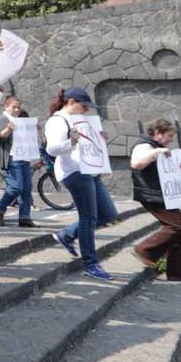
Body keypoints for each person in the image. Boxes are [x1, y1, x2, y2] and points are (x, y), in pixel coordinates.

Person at [45, 87, 119, 281]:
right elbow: (52, 149)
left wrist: (100, 140)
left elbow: (87, 144)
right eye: (84, 106)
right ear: (71, 102)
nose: (86, 110)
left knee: (108, 213)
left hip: (90, 170)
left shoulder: (81, 120)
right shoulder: (57, 121)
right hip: (74, 172)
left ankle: (68, 234)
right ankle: (90, 263)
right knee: (89, 217)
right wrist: (71, 141)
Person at [129, 119, 181, 282]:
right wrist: (155, 153)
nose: (171, 139)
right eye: (169, 135)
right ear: (158, 133)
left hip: (162, 194)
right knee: (178, 227)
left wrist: (176, 166)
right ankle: (145, 250)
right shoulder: (144, 146)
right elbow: (136, 164)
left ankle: (177, 271)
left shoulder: (156, 148)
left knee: (180, 230)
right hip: (152, 195)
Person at [0, 96, 37, 228]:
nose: (17, 109)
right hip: (12, 157)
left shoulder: (19, 119)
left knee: (27, 188)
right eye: (14, 107)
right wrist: (8, 129)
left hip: (24, 156)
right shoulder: (3, 119)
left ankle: (25, 217)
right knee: (16, 187)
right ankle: (0, 208)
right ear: (6, 106)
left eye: (18, 107)